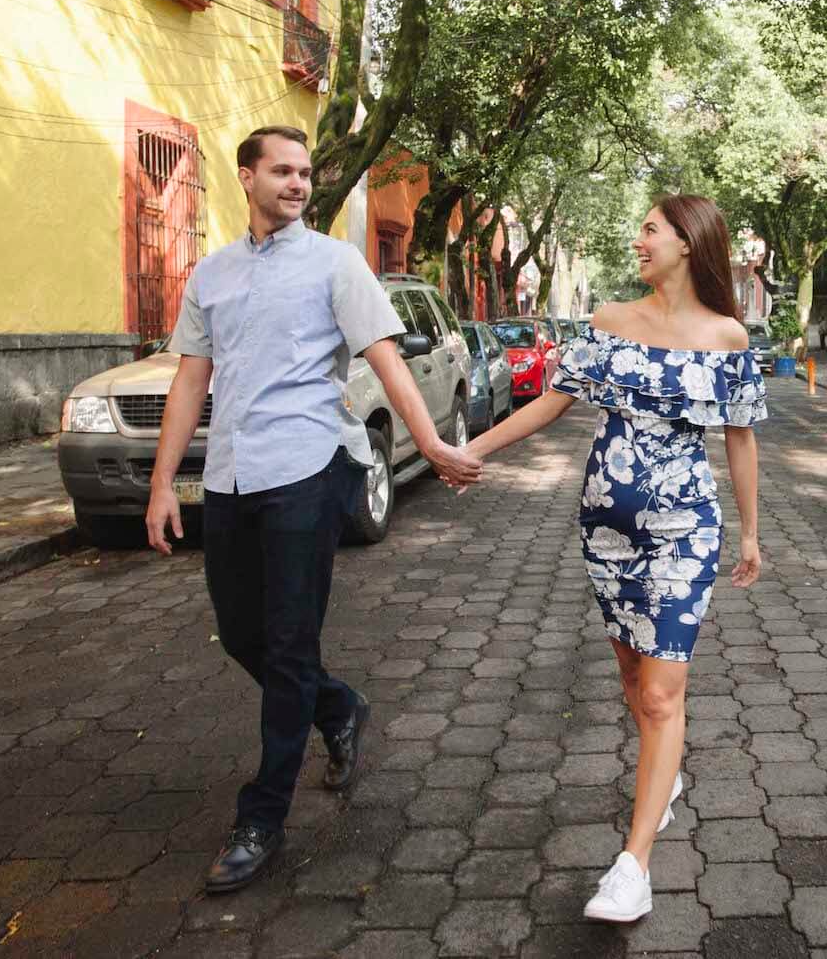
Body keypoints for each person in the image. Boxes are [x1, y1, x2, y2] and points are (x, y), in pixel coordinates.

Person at [146, 125, 483, 894]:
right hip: (231, 475)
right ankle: (339, 707)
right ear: (246, 177)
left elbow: (386, 360)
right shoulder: (212, 275)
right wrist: (166, 483)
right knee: (241, 634)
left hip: (308, 466)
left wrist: (430, 445)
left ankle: (262, 816)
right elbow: (190, 384)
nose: (298, 184)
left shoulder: (337, 264)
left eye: (305, 173)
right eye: (283, 171)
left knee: (290, 645)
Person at [465, 194, 767, 923]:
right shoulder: (607, 322)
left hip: (684, 532)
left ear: (688, 243)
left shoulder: (726, 337)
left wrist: (752, 532)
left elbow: (740, 436)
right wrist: (468, 451)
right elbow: (553, 402)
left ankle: (634, 866)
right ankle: (663, 781)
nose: (638, 241)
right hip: (605, 530)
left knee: (662, 696)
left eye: (650, 230)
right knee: (635, 677)